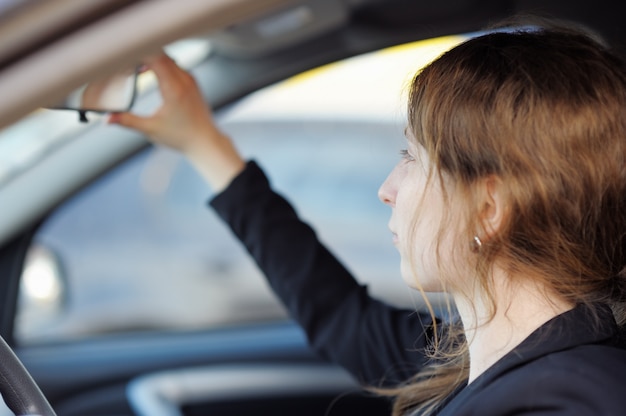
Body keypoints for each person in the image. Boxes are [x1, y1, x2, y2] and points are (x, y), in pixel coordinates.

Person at [108, 23, 626, 415]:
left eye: (413, 159)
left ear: (488, 209)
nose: (387, 190)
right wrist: (203, 142)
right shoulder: (481, 350)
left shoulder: (568, 399)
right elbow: (335, 312)